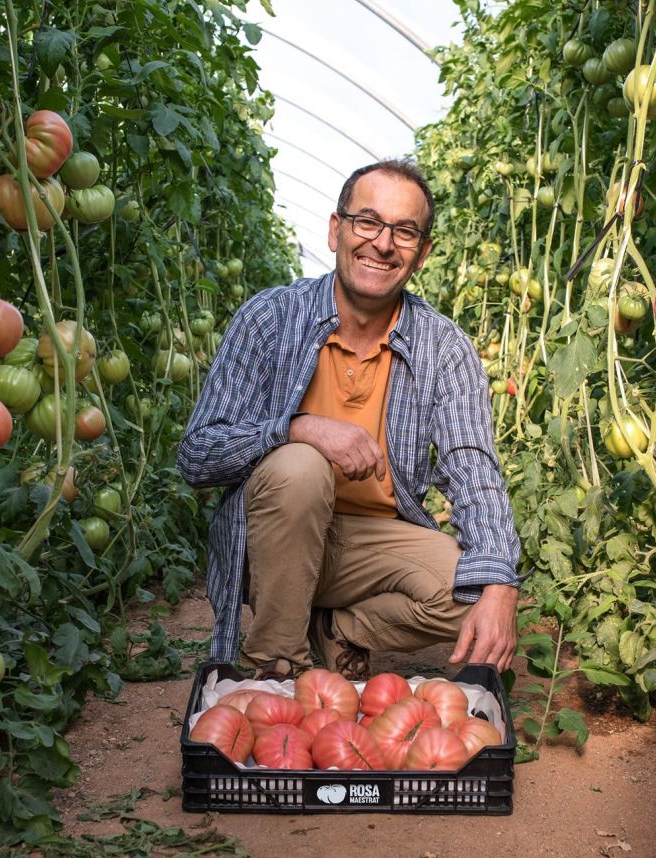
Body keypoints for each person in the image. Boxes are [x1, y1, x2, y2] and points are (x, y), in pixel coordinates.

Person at [176, 158, 521, 681]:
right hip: (273, 542)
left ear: (422, 254)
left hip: (371, 547)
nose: (383, 244)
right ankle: (274, 659)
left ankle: (342, 629)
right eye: (368, 222)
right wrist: (299, 428)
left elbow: (473, 467)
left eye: (404, 232)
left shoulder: (442, 346)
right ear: (337, 229)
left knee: (478, 591)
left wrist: (500, 586)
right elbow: (198, 454)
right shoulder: (271, 317)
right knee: (299, 466)